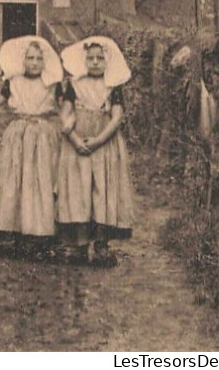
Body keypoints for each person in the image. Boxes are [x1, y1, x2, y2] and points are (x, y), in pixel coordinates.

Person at [56, 36, 134, 266]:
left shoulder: (113, 86)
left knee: (102, 188)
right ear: (84, 61)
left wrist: (99, 140)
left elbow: (117, 116)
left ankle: (101, 244)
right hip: (77, 141)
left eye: (100, 58)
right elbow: (65, 112)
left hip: (103, 143)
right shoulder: (74, 84)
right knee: (78, 189)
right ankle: (79, 244)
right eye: (90, 58)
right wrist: (74, 137)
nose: (95, 62)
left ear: (107, 62)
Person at [0, 36, 63, 259]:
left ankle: (40, 233)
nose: (34, 63)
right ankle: (15, 233)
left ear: (45, 61)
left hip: (43, 134)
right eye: (29, 58)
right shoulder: (12, 82)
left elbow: (65, 109)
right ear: (22, 60)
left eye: (38, 58)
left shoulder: (52, 84)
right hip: (18, 134)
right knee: (16, 180)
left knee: (40, 180)